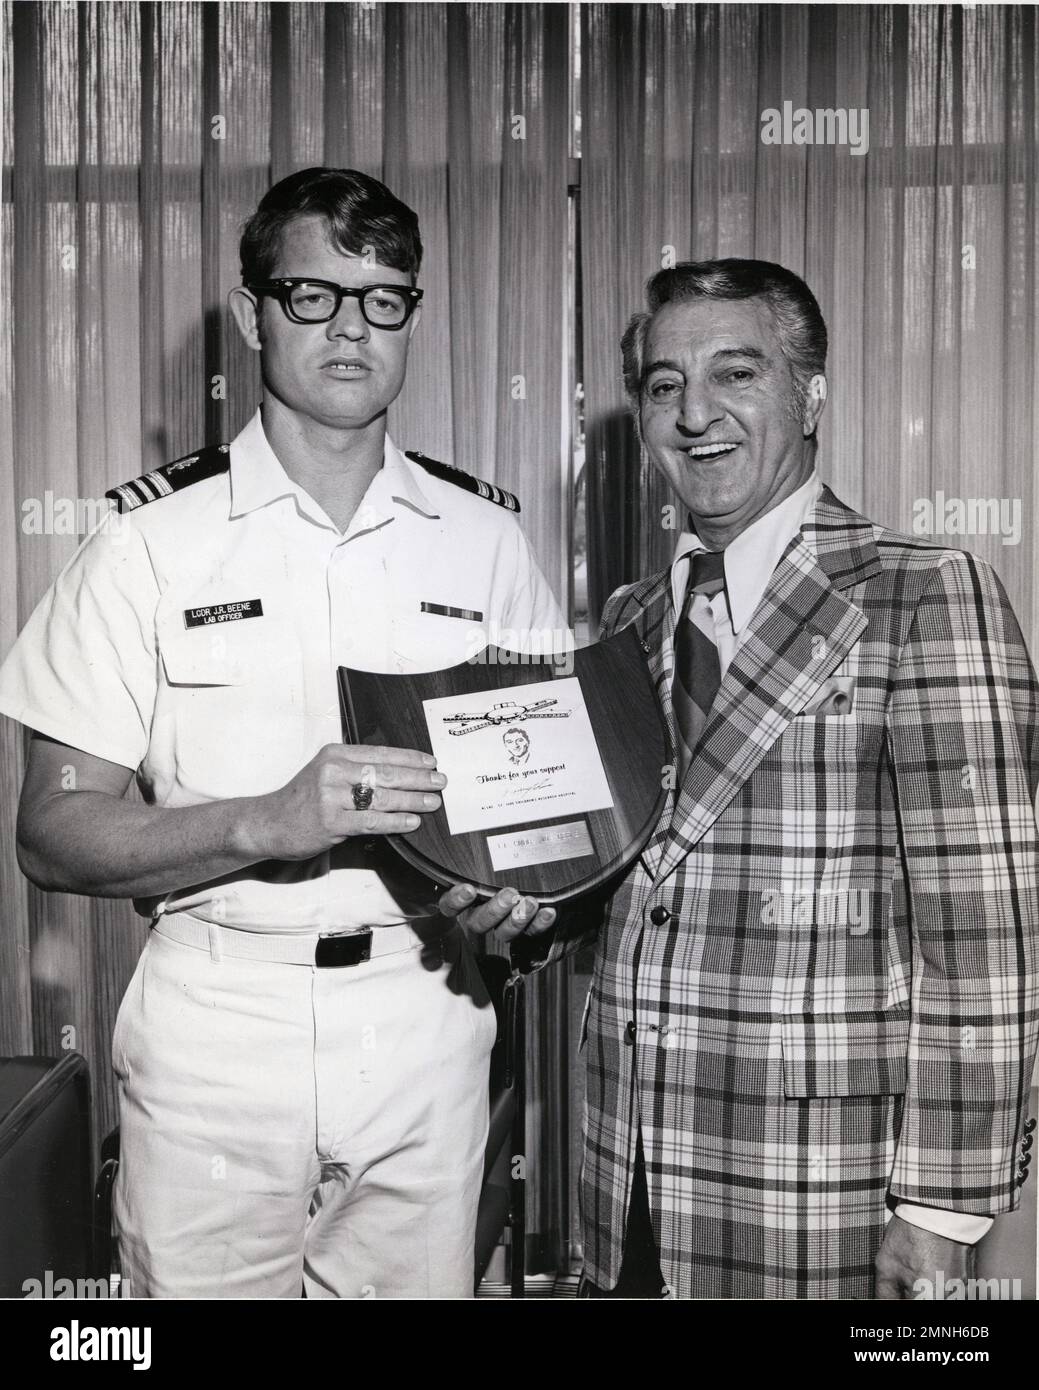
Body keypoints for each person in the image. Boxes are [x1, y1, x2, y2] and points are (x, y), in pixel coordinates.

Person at [0, 167, 562, 1298]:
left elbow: (544, 807)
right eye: (314, 295)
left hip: (426, 1006)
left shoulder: (482, 536)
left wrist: (532, 889)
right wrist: (271, 818)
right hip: (220, 1018)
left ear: (411, 314)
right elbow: (52, 834)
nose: (351, 327)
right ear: (255, 310)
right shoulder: (145, 543)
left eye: (383, 297)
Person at [528, 258, 1039, 1299]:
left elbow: (988, 940)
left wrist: (943, 1209)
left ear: (810, 395)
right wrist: (519, 907)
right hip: (619, 1174)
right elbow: (627, 885)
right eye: (664, 385)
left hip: (820, 1196)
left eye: (735, 374)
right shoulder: (626, 620)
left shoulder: (922, 593)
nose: (694, 413)